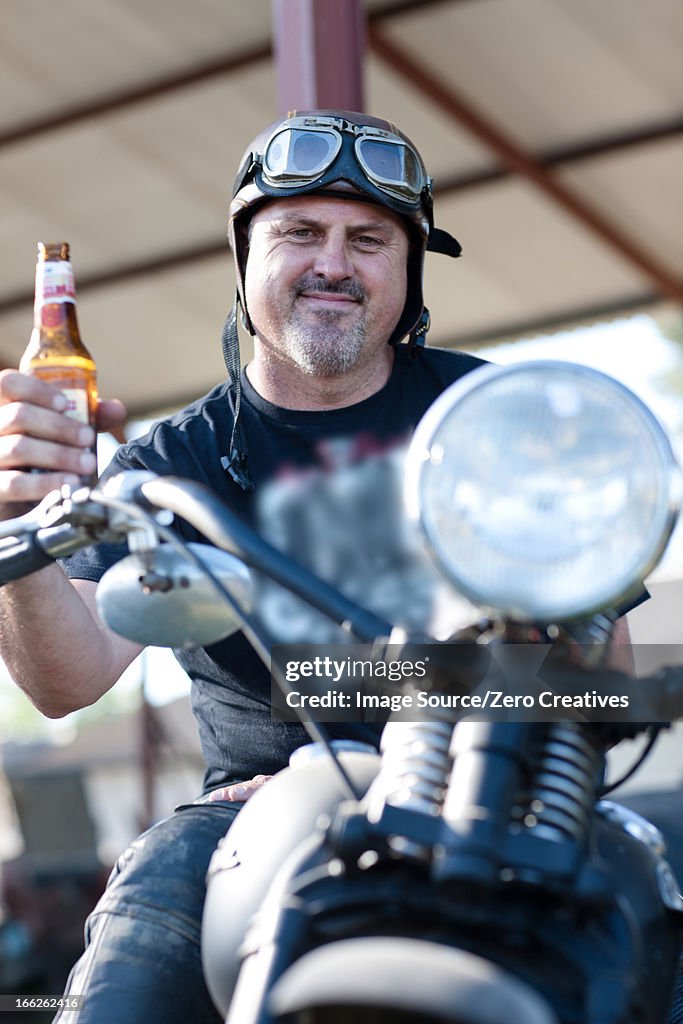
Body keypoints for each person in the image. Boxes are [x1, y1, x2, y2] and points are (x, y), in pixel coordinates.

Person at [0, 110, 636, 1022]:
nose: (333, 262)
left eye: (368, 239)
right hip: (247, 817)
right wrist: (19, 523)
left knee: (645, 919)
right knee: (139, 942)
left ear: (408, 270)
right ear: (246, 260)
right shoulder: (168, 466)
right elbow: (65, 684)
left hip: (501, 792)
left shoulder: (502, 420)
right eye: (299, 232)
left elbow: (607, 682)